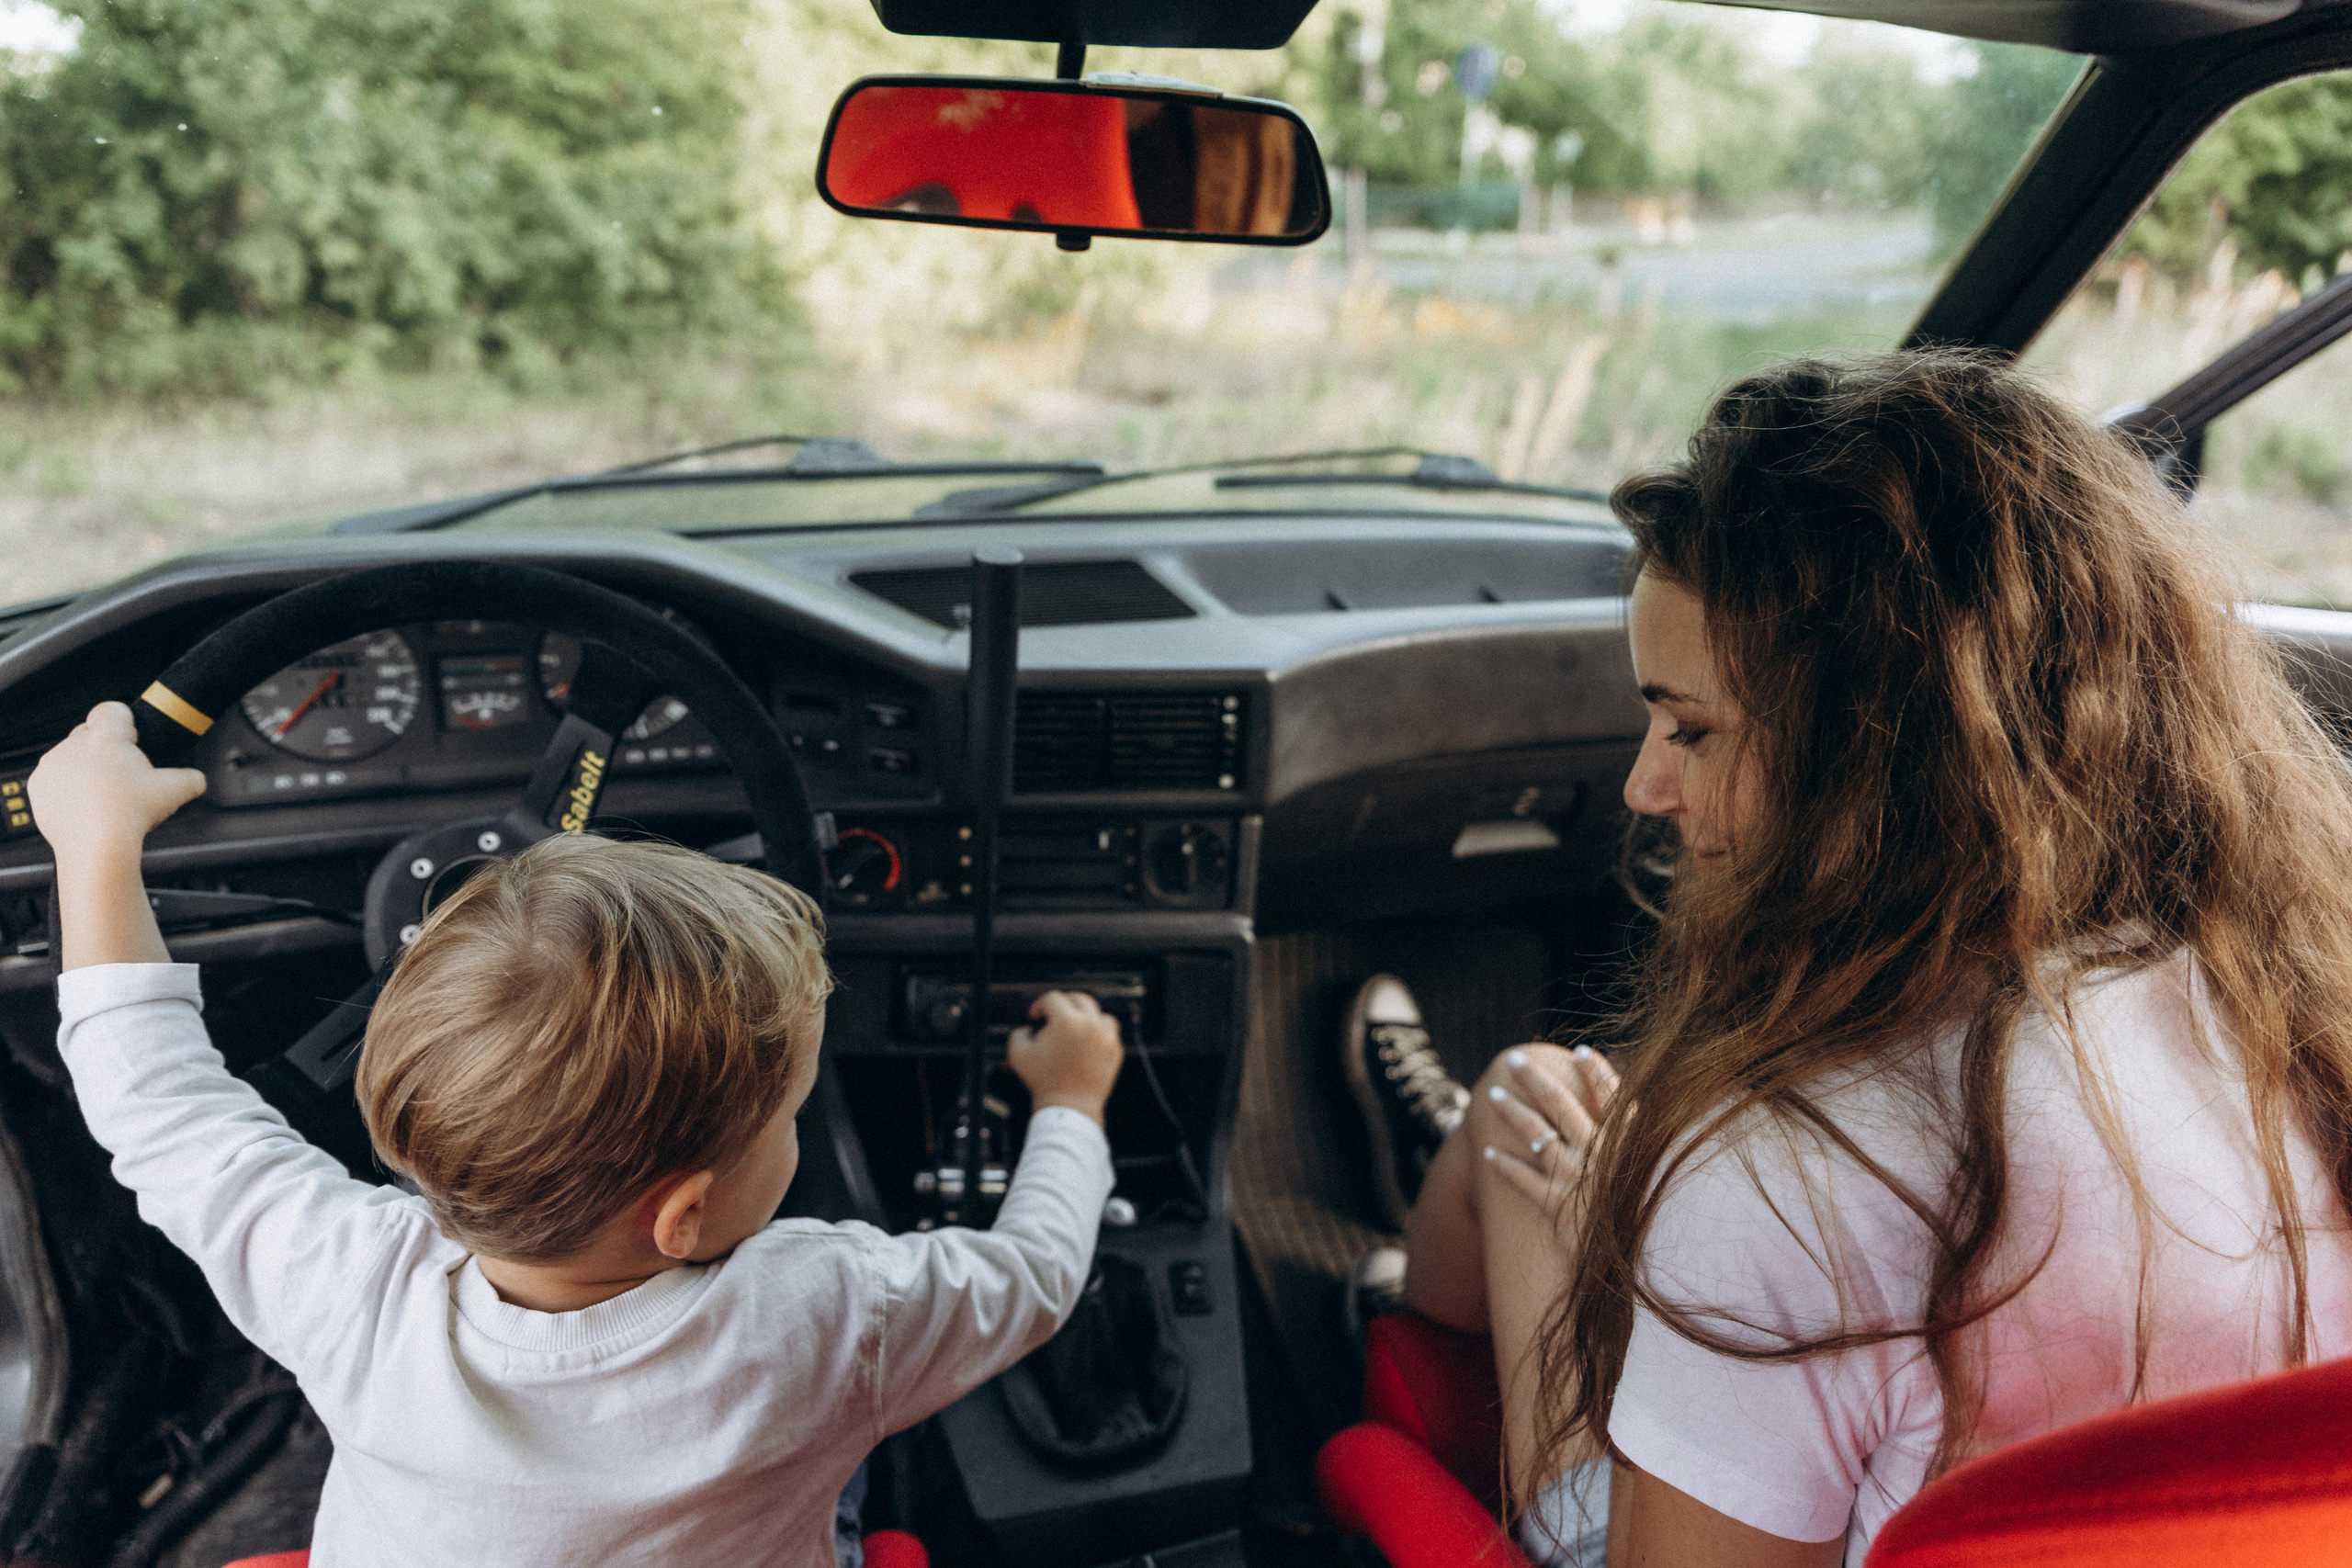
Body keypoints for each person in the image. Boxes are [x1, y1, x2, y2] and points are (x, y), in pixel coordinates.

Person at [1340, 350, 2352, 1568]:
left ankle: (1388, 1260)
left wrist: (1698, 1225)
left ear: (1876, 750)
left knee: (1527, 1108)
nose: (1645, 785)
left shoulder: (1793, 1170)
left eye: (1693, 728)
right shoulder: (2297, 1004)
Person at [28, 701, 1128, 1567]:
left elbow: (151, 1094)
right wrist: (1071, 1104)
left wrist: (95, 844)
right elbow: (1034, 1274)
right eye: (790, 1113)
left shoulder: (343, 1281)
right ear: (684, 1213)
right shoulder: (832, 1313)